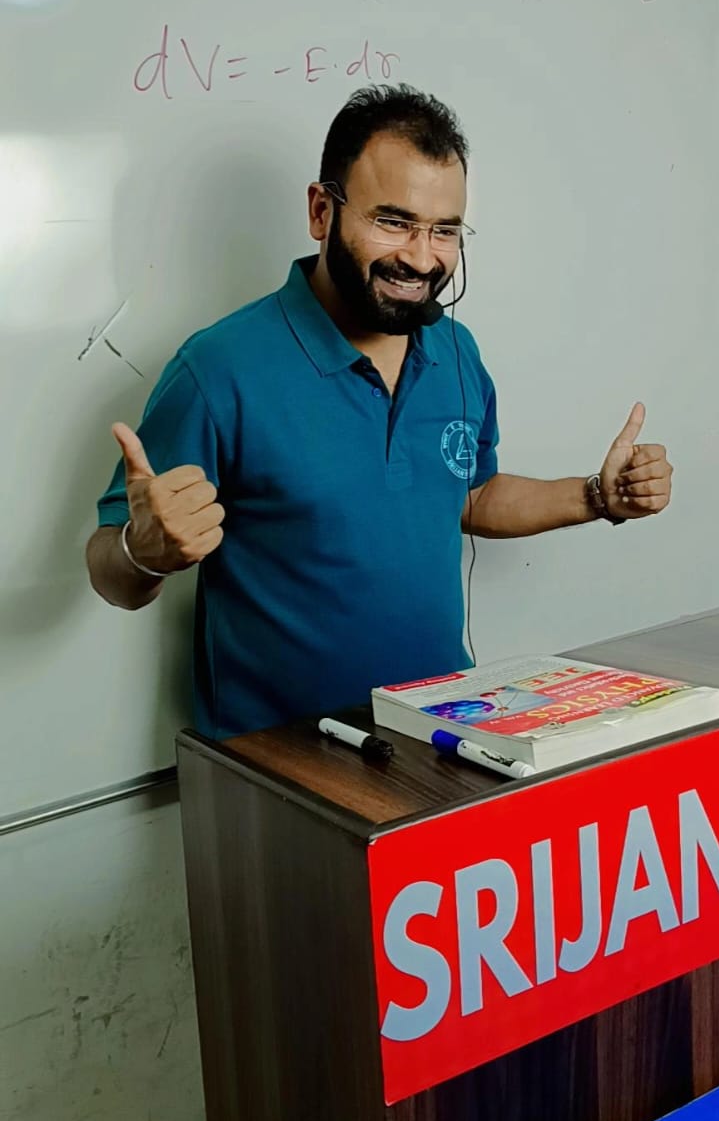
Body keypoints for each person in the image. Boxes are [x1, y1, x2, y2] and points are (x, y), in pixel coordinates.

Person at [86, 85, 673, 740]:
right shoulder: (218, 368)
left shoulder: (454, 350)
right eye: (393, 222)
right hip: (278, 760)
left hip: (444, 729)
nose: (421, 258)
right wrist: (143, 554)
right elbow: (110, 568)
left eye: (444, 230)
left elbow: (468, 495)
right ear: (321, 211)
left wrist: (598, 496)